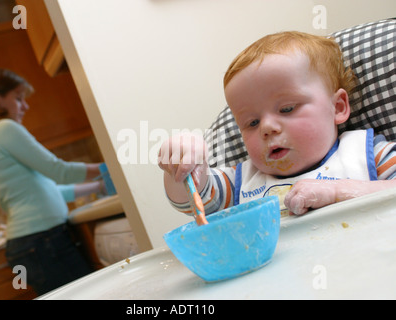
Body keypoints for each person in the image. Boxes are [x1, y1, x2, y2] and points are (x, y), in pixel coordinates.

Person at [158, 31, 396, 217]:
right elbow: (192, 201)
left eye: (287, 109)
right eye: (251, 122)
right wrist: (183, 165)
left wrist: (337, 192)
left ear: (338, 107)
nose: (267, 128)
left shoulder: (368, 156)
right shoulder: (241, 181)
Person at [0, 68, 107, 296]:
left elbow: (52, 190)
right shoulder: (4, 129)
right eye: (18, 98)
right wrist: (110, 167)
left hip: (35, 246)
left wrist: (101, 185)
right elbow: (59, 171)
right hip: (42, 245)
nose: (25, 106)